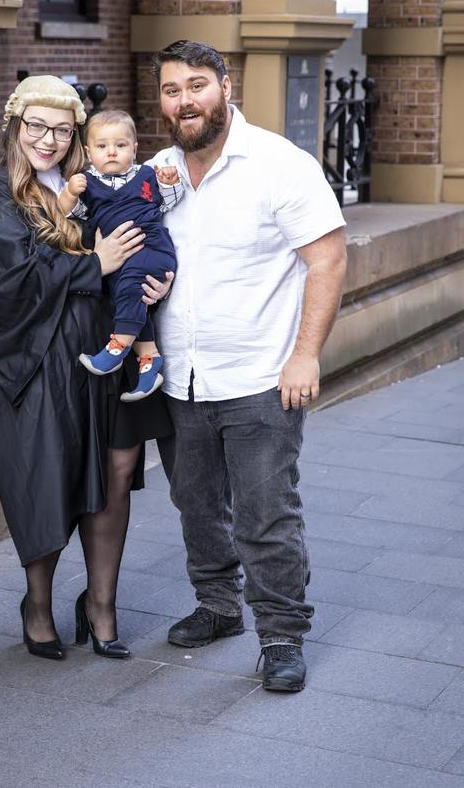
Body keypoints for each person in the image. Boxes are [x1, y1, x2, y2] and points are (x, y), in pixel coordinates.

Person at [149, 40, 347, 692]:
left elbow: (327, 258)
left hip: (262, 376)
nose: (185, 100)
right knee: (196, 503)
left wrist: (306, 353)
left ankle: (282, 633)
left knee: (266, 511)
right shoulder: (157, 174)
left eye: (197, 85)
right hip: (180, 378)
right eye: (172, 89)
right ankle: (218, 605)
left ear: (226, 86)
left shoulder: (277, 164)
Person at [0, 75, 173, 662]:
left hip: (108, 353)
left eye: (61, 129)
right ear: (15, 128)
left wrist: (159, 274)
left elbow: (151, 237)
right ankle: (39, 603)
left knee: (113, 478)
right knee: (47, 478)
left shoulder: (99, 188)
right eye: (37, 127)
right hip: (33, 364)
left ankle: (102, 605)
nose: (48, 140)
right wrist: (92, 265)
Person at [58, 109, 181, 402]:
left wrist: (168, 182)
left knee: (129, 293)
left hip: (150, 248)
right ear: (89, 152)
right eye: (102, 146)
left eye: (121, 145)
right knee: (130, 302)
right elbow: (66, 213)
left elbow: (168, 203)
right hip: (120, 261)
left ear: (135, 149)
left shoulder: (147, 175)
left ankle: (117, 347)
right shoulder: (87, 183)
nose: (111, 152)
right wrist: (70, 194)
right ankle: (149, 361)